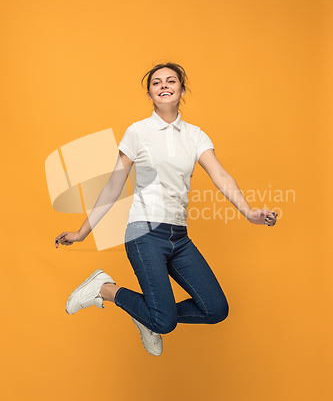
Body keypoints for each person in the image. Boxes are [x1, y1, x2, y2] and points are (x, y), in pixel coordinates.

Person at [55, 62, 278, 357]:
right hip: (143, 232)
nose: (163, 86)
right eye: (156, 83)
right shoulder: (138, 132)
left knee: (215, 309)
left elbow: (221, 175)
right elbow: (113, 186)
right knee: (164, 322)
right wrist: (83, 232)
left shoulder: (195, 135)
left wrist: (249, 212)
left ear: (181, 90)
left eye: (170, 81)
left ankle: (146, 313)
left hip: (179, 236)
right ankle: (104, 289)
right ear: (149, 94)